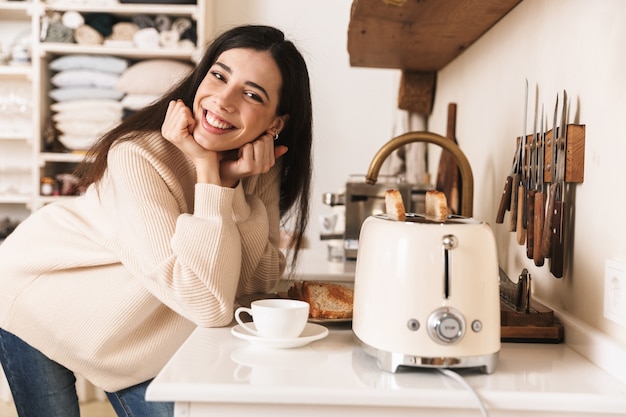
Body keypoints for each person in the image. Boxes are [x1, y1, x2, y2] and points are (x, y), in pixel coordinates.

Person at [0, 24, 313, 417]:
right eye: (218, 75)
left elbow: (255, 283)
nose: (223, 100)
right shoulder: (137, 155)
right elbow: (208, 305)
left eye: (252, 94)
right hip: (42, 292)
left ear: (275, 124)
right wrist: (207, 170)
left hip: (135, 330)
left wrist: (227, 183)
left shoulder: (256, 166)